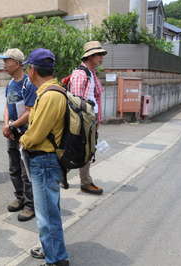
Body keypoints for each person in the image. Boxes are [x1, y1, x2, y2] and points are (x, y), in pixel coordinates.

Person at [20, 48, 69, 266]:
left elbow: (36, 134)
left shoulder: (50, 96)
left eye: (27, 68)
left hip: (44, 161)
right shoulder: (50, 92)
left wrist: (22, 140)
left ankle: (57, 259)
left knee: (47, 216)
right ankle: (50, 250)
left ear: (32, 70)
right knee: (49, 212)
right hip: (47, 160)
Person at [0, 48, 37, 222]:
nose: (4, 64)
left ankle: (30, 205)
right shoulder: (11, 83)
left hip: (25, 133)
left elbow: (29, 111)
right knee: (14, 167)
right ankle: (19, 197)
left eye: (7, 61)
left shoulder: (28, 83)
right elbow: (7, 105)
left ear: (18, 63)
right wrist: (6, 124)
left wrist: (12, 125)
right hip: (12, 131)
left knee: (25, 170)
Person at [69, 41, 107, 195]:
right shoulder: (80, 73)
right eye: (99, 54)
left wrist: (97, 119)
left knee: (86, 151)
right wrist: (82, 124)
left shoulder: (91, 73)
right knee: (81, 150)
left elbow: (95, 97)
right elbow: (76, 102)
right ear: (90, 56)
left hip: (91, 121)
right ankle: (84, 182)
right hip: (83, 122)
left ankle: (83, 180)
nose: (101, 57)